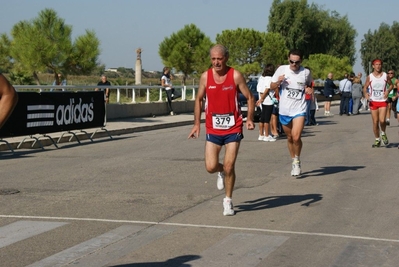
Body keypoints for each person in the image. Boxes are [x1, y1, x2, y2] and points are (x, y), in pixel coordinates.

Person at [187, 44, 255, 216]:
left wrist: (250, 119)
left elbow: (250, 97)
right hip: (213, 127)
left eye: (219, 59)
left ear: (226, 58)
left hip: (233, 127)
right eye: (213, 59)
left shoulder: (235, 75)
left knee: (229, 165)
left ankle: (228, 200)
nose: (216, 62)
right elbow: (199, 99)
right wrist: (197, 124)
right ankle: (220, 172)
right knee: (210, 167)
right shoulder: (205, 77)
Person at [270, 49, 313, 176]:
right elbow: (271, 86)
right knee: (289, 137)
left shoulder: (305, 72)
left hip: (299, 109)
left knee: (296, 137)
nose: (294, 64)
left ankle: (297, 161)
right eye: (291, 61)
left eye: (297, 62)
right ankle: (293, 159)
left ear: (301, 61)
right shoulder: (282, 70)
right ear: (288, 59)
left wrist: (309, 89)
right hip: (284, 110)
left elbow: (309, 84)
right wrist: (278, 82)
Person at [363, 59, 393, 147]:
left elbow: (391, 85)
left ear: (381, 65)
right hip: (373, 101)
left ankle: (383, 133)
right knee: (375, 122)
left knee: (382, 120)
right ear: (373, 66)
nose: (378, 66)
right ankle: (377, 139)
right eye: (376, 64)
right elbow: (365, 87)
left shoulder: (385, 76)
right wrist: (366, 94)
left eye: (379, 64)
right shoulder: (370, 76)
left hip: (383, 101)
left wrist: (387, 91)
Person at [255, 64, 277, 142]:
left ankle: (261, 134)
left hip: (262, 98)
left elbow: (259, 89)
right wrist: (262, 98)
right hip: (267, 100)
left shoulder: (261, 78)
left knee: (262, 118)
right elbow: (267, 89)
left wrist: (260, 98)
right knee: (267, 119)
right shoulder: (271, 78)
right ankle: (267, 135)